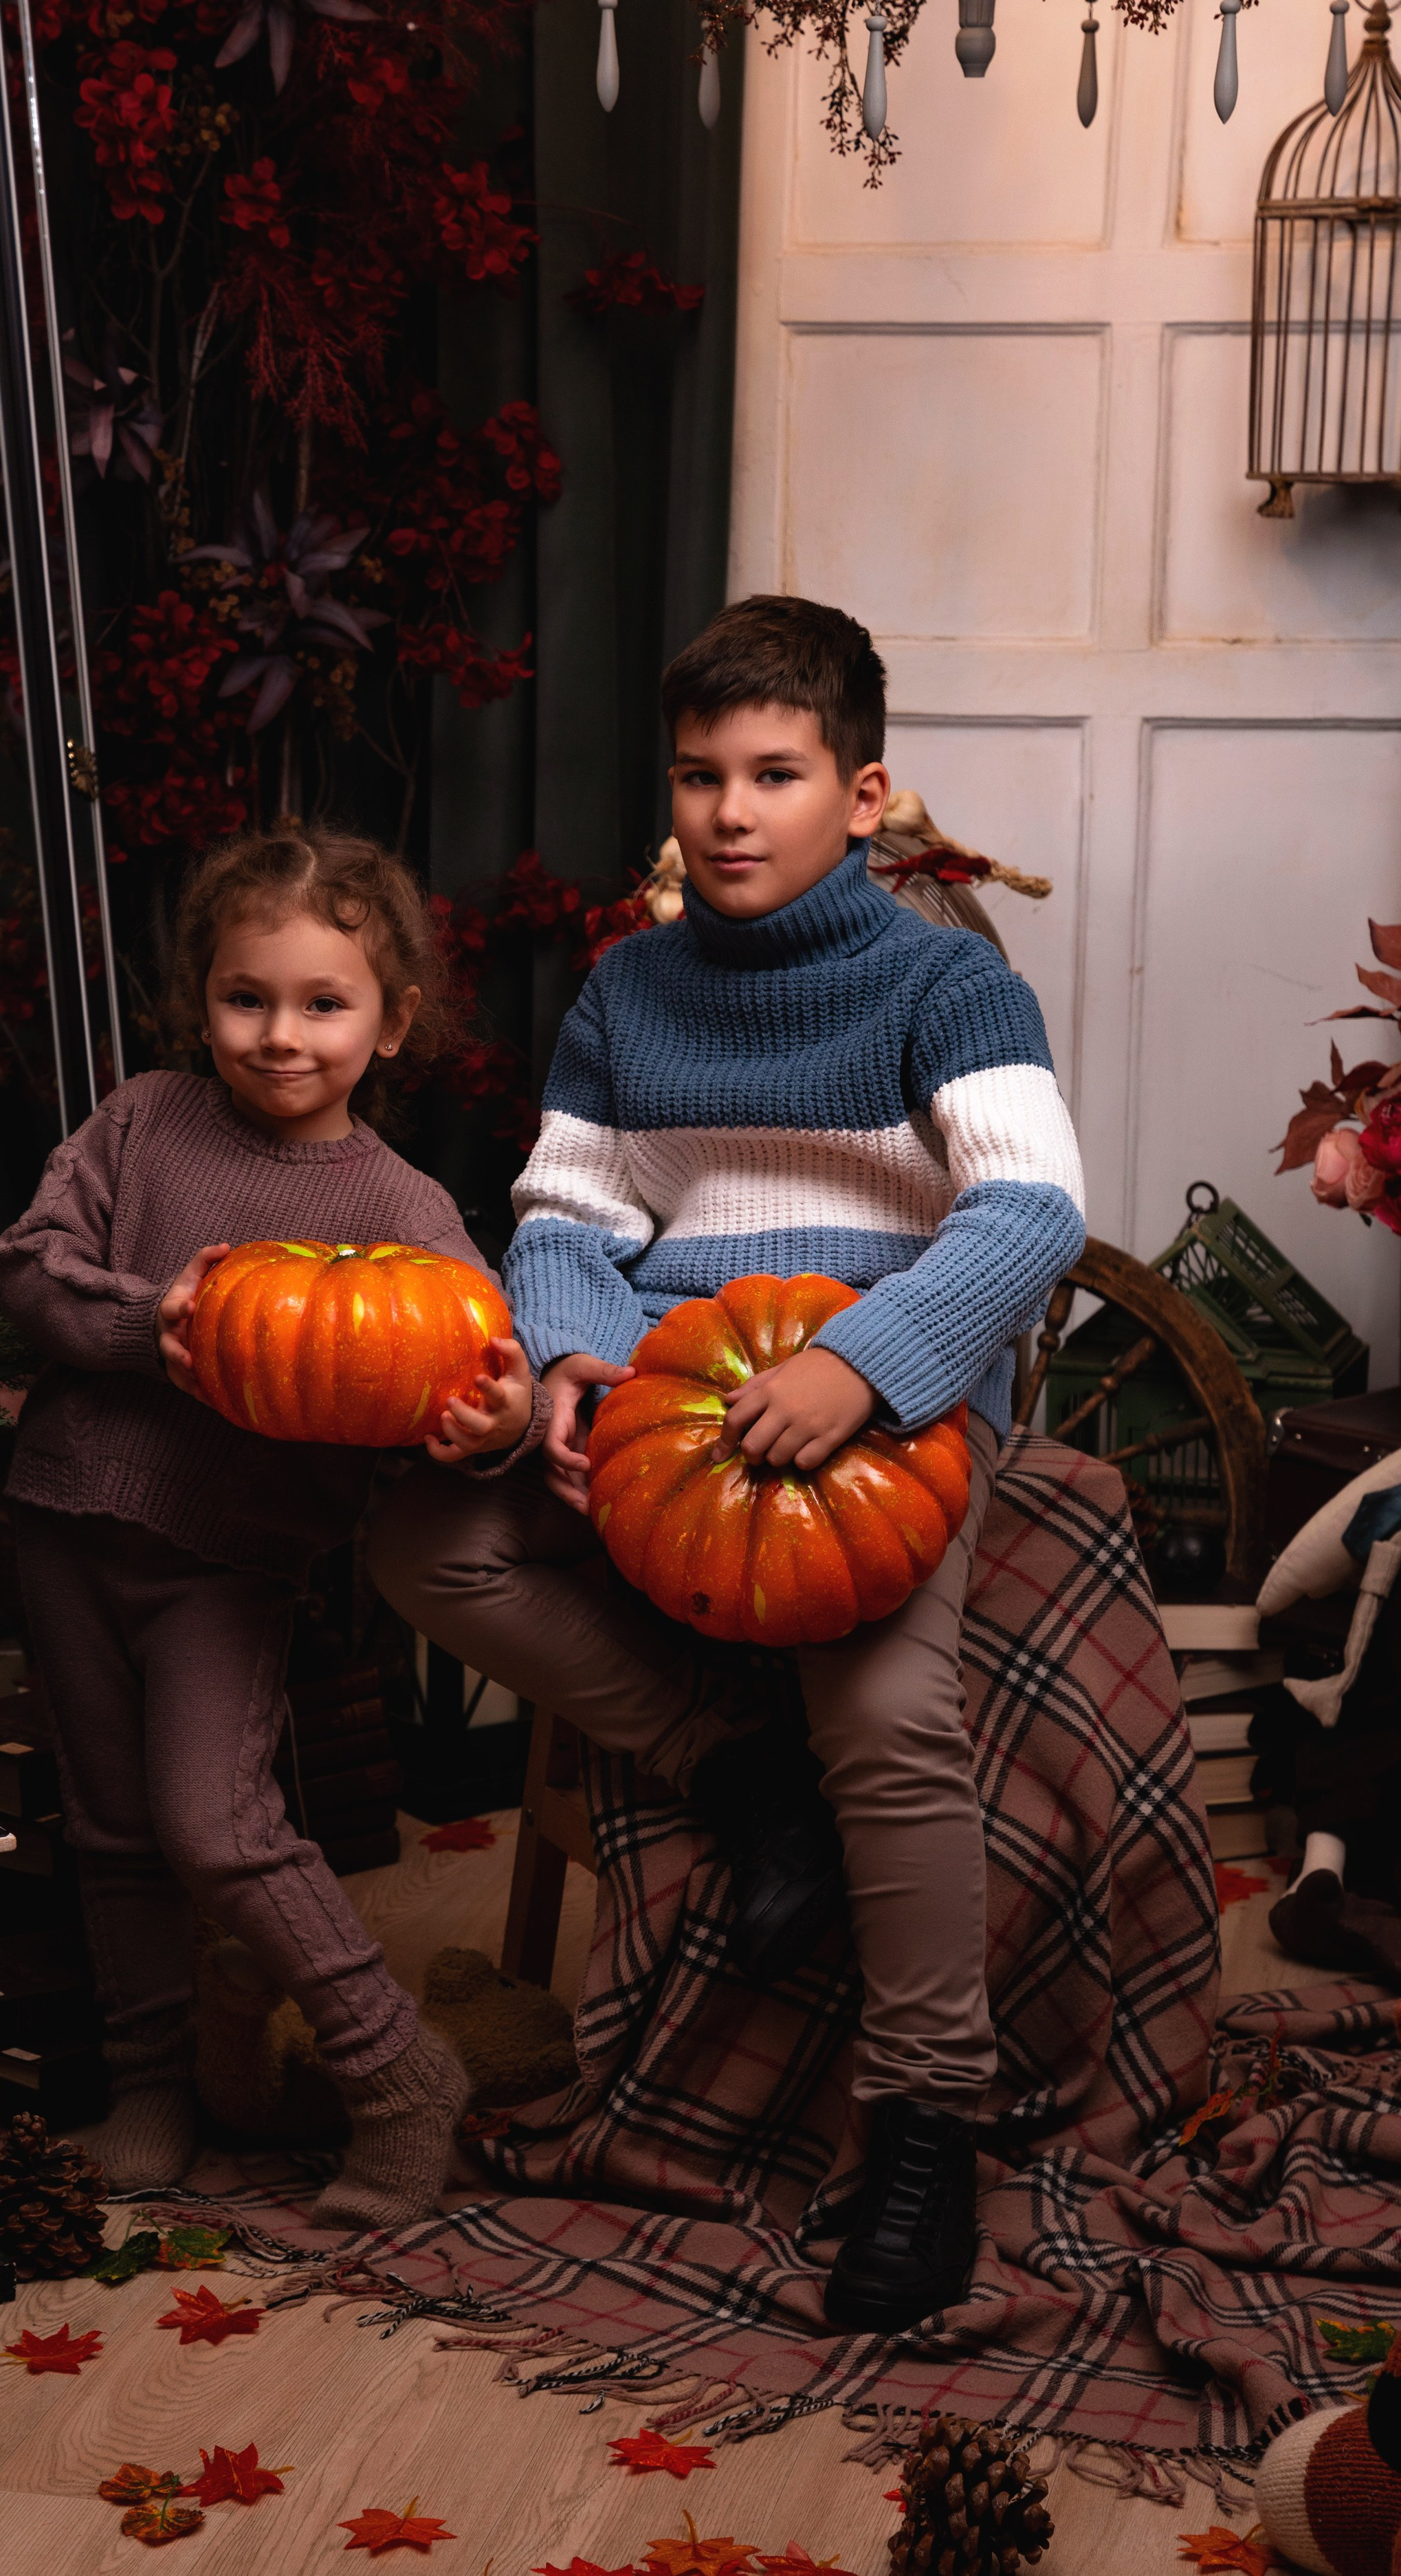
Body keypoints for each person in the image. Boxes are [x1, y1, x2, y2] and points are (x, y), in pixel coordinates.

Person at [368, 596, 1086, 2330]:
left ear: (864, 792)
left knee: (884, 1708)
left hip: (872, 1399)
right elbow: (567, 1208)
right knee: (421, 1536)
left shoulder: (944, 979)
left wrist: (872, 1364)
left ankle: (927, 2122)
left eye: (776, 772)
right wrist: (569, 1362)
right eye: (700, 776)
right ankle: (731, 1771)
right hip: (667, 1391)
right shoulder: (628, 987)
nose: (732, 811)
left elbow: (1029, 1211)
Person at [0, 828, 540, 2226]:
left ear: (390, 1018)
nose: (280, 1034)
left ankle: (395, 2068)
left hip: (224, 1561)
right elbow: (29, 1270)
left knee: (216, 1821)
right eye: (247, 998)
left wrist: (499, 1419)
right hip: (63, 1515)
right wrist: (141, 1320)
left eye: (322, 1002)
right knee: (112, 1826)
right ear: (202, 999)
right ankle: (153, 2087)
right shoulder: (144, 1118)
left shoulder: (398, 1207)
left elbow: (482, 1362)